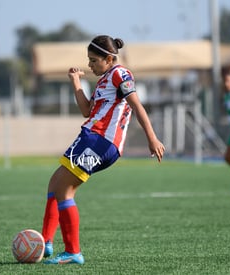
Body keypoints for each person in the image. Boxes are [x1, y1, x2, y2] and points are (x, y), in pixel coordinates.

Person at [41, 35, 165, 264]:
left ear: (109, 58)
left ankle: (72, 252)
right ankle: (45, 243)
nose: (89, 65)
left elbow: (136, 105)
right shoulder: (104, 79)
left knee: (65, 191)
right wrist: (76, 82)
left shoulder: (120, 74)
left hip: (100, 141)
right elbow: (87, 110)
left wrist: (152, 138)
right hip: (92, 138)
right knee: (55, 183)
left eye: (94, 60)